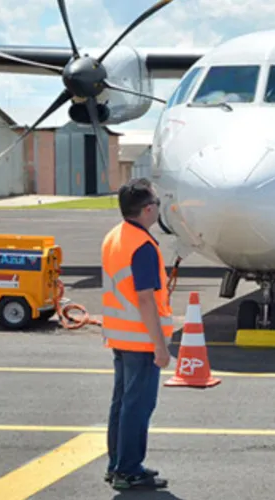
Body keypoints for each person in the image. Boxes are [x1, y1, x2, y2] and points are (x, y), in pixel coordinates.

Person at [101, 178, 171, 490]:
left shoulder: (116, 236)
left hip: (120, 336)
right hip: (141, 339)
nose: (159, 207)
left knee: (122, 403)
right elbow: (145, 298)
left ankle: (116, 464)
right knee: (138, 406)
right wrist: (161, 346)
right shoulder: (143, 246)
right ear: (147, 209)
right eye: (156, 202)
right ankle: (129, 470)